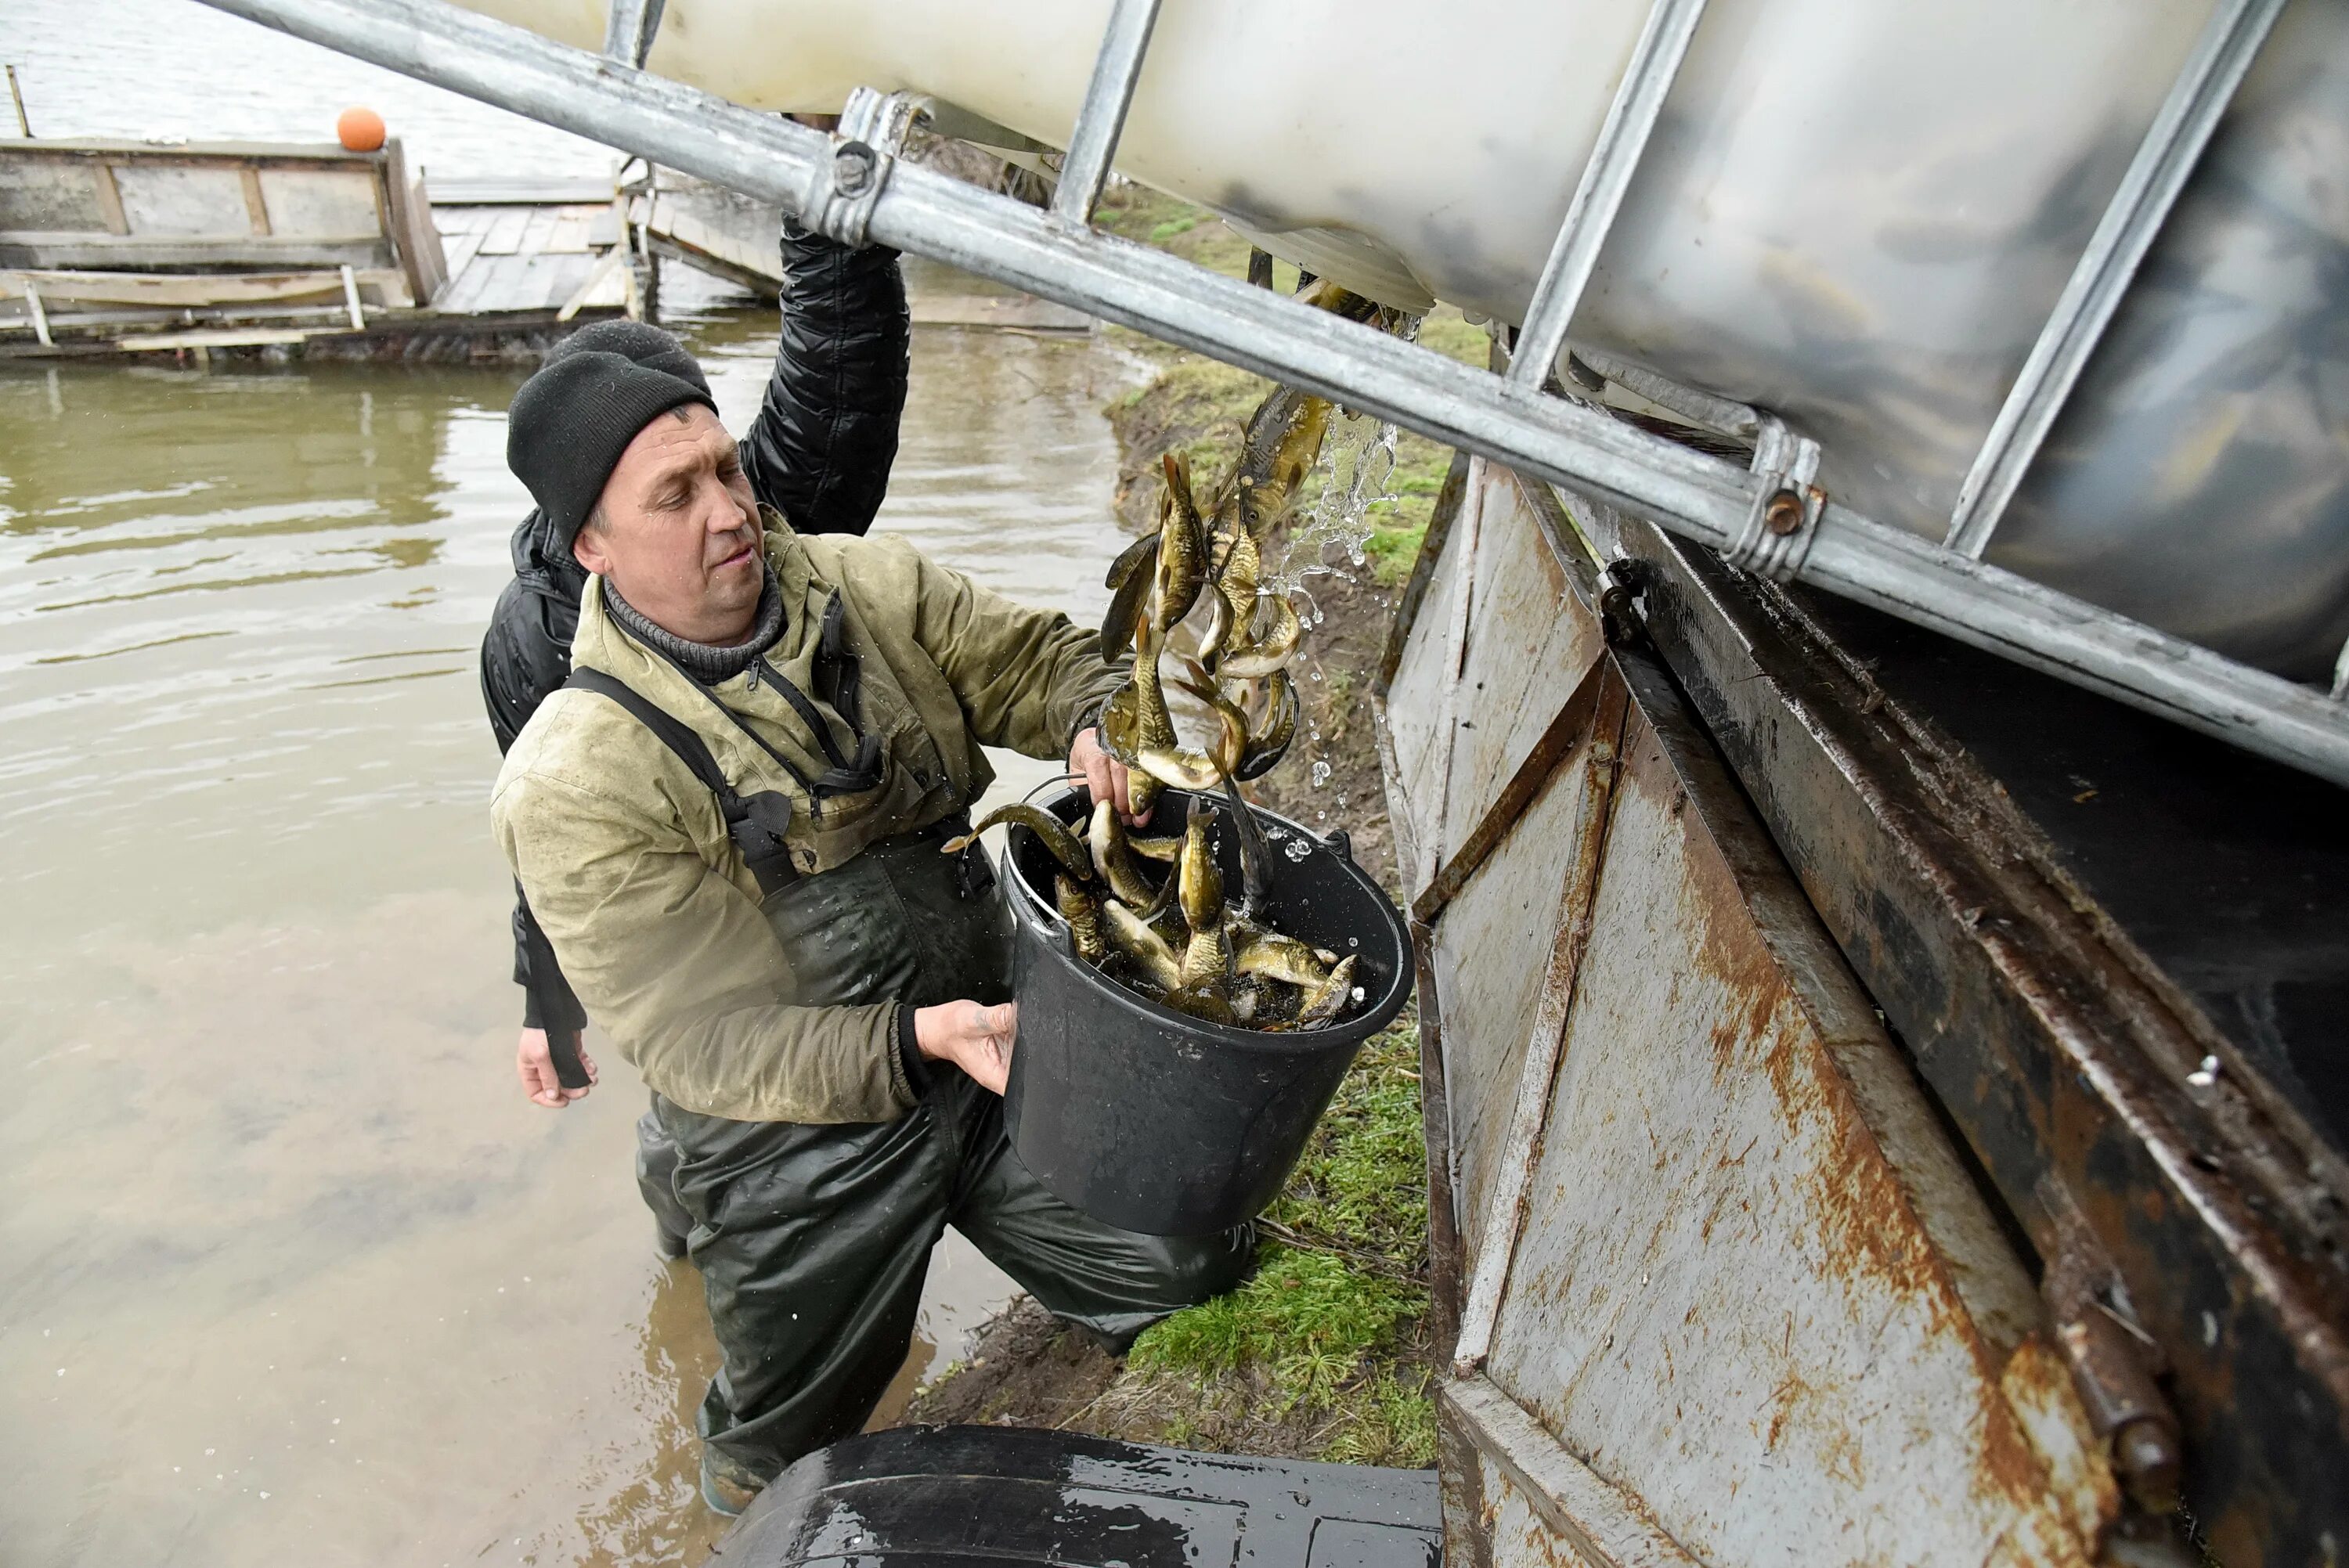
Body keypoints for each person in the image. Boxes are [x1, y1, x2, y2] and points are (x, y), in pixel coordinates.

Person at [483, 224, 1254, 1516]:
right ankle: (701, 1254)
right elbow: (707, 1046)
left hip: (996, 1031)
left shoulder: (865, 585)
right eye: (675, 498)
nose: (730, 511)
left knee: (1182, 1276)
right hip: (799, 1125)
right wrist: (913, 1043)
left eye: (724, 468)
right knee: (777, 1466)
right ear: (590, 550)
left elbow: (1044, 657)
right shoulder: (576, 777)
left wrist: (1096, 719)